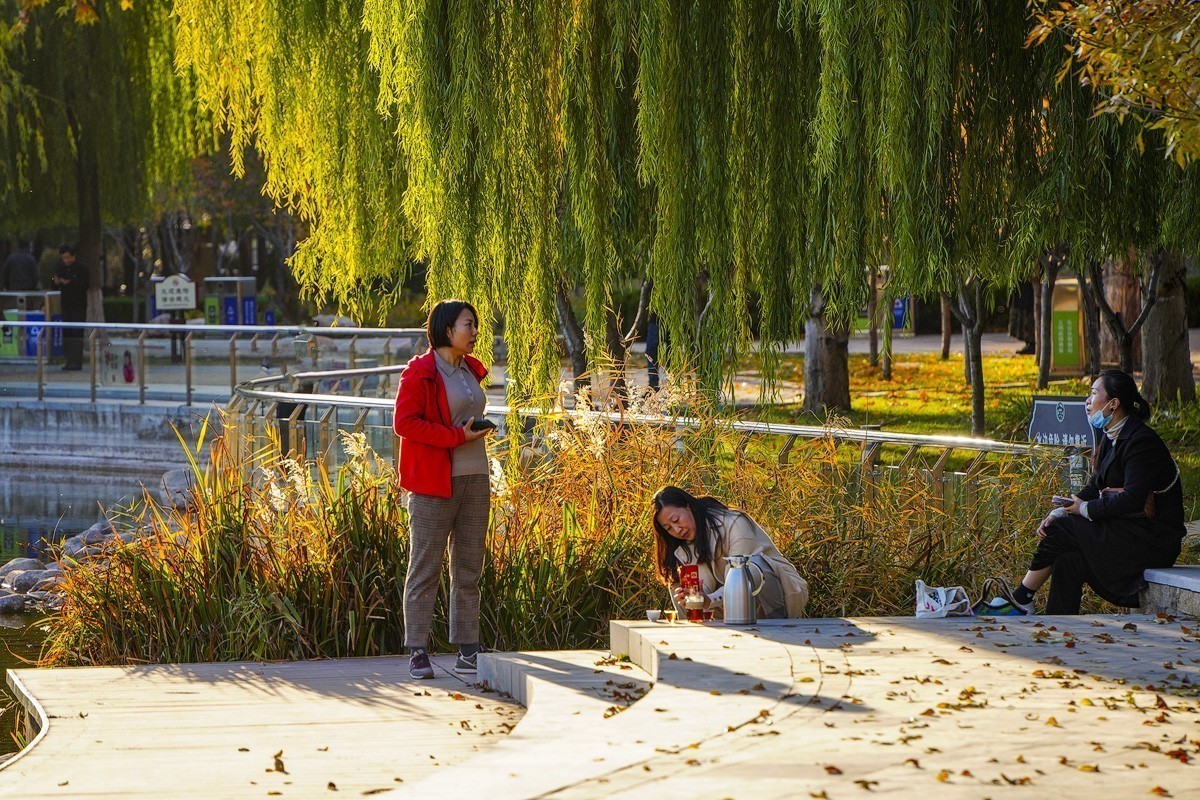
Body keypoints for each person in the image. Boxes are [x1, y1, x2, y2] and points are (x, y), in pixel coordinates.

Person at [979, 370, 1185, 616]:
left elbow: (1133, 499)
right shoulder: (1112, 435)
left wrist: (1083, 510)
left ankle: (1021, 598)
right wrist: (1061, 509)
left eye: (1094, 393)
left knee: (1063, 529)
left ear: (1113, 403)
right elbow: (1095, 486)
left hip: (1151, 540)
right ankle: (1059, 625)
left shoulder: (1141, 441)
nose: (1088, 401)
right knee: (1068, 558)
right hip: (1127, 531)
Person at [393, 299, 495, 679]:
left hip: (475, 477)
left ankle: (468, 649)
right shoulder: (419, 372)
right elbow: (405, 423)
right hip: (434, 482)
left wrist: (476, 429)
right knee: (425, 566)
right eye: (469, 324)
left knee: (468, 567)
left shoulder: (470, 370)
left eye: (475, 325)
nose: (475, 331)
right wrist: (456, 436)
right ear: (447, 330)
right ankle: (418, 649)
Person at [651, 486, 809, 619]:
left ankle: (777, 624)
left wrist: (709, 600)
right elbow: (703, 582)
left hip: (777, 594)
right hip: (731, 605)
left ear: (688, 506)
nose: (676, 530)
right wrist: (696, 595)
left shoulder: (735, 522)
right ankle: (694, 633)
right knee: (679, 581)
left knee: (752, 566)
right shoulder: (686, 543)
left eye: (676, 520)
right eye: (668, 528)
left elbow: (740, 577)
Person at [52, 244, 89, 370]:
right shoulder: (61, 268)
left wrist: (71, 282)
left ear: (73, 256)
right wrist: (57, 282)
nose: (66, 261)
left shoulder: (81, 269)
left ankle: (77, 361)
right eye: (64, 258)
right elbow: (54, 282)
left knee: (77, 332)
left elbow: (85, 285)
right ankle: (68, 360)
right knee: (67, 332)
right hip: (66, 303)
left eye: (68, 258)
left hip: (78, 304)